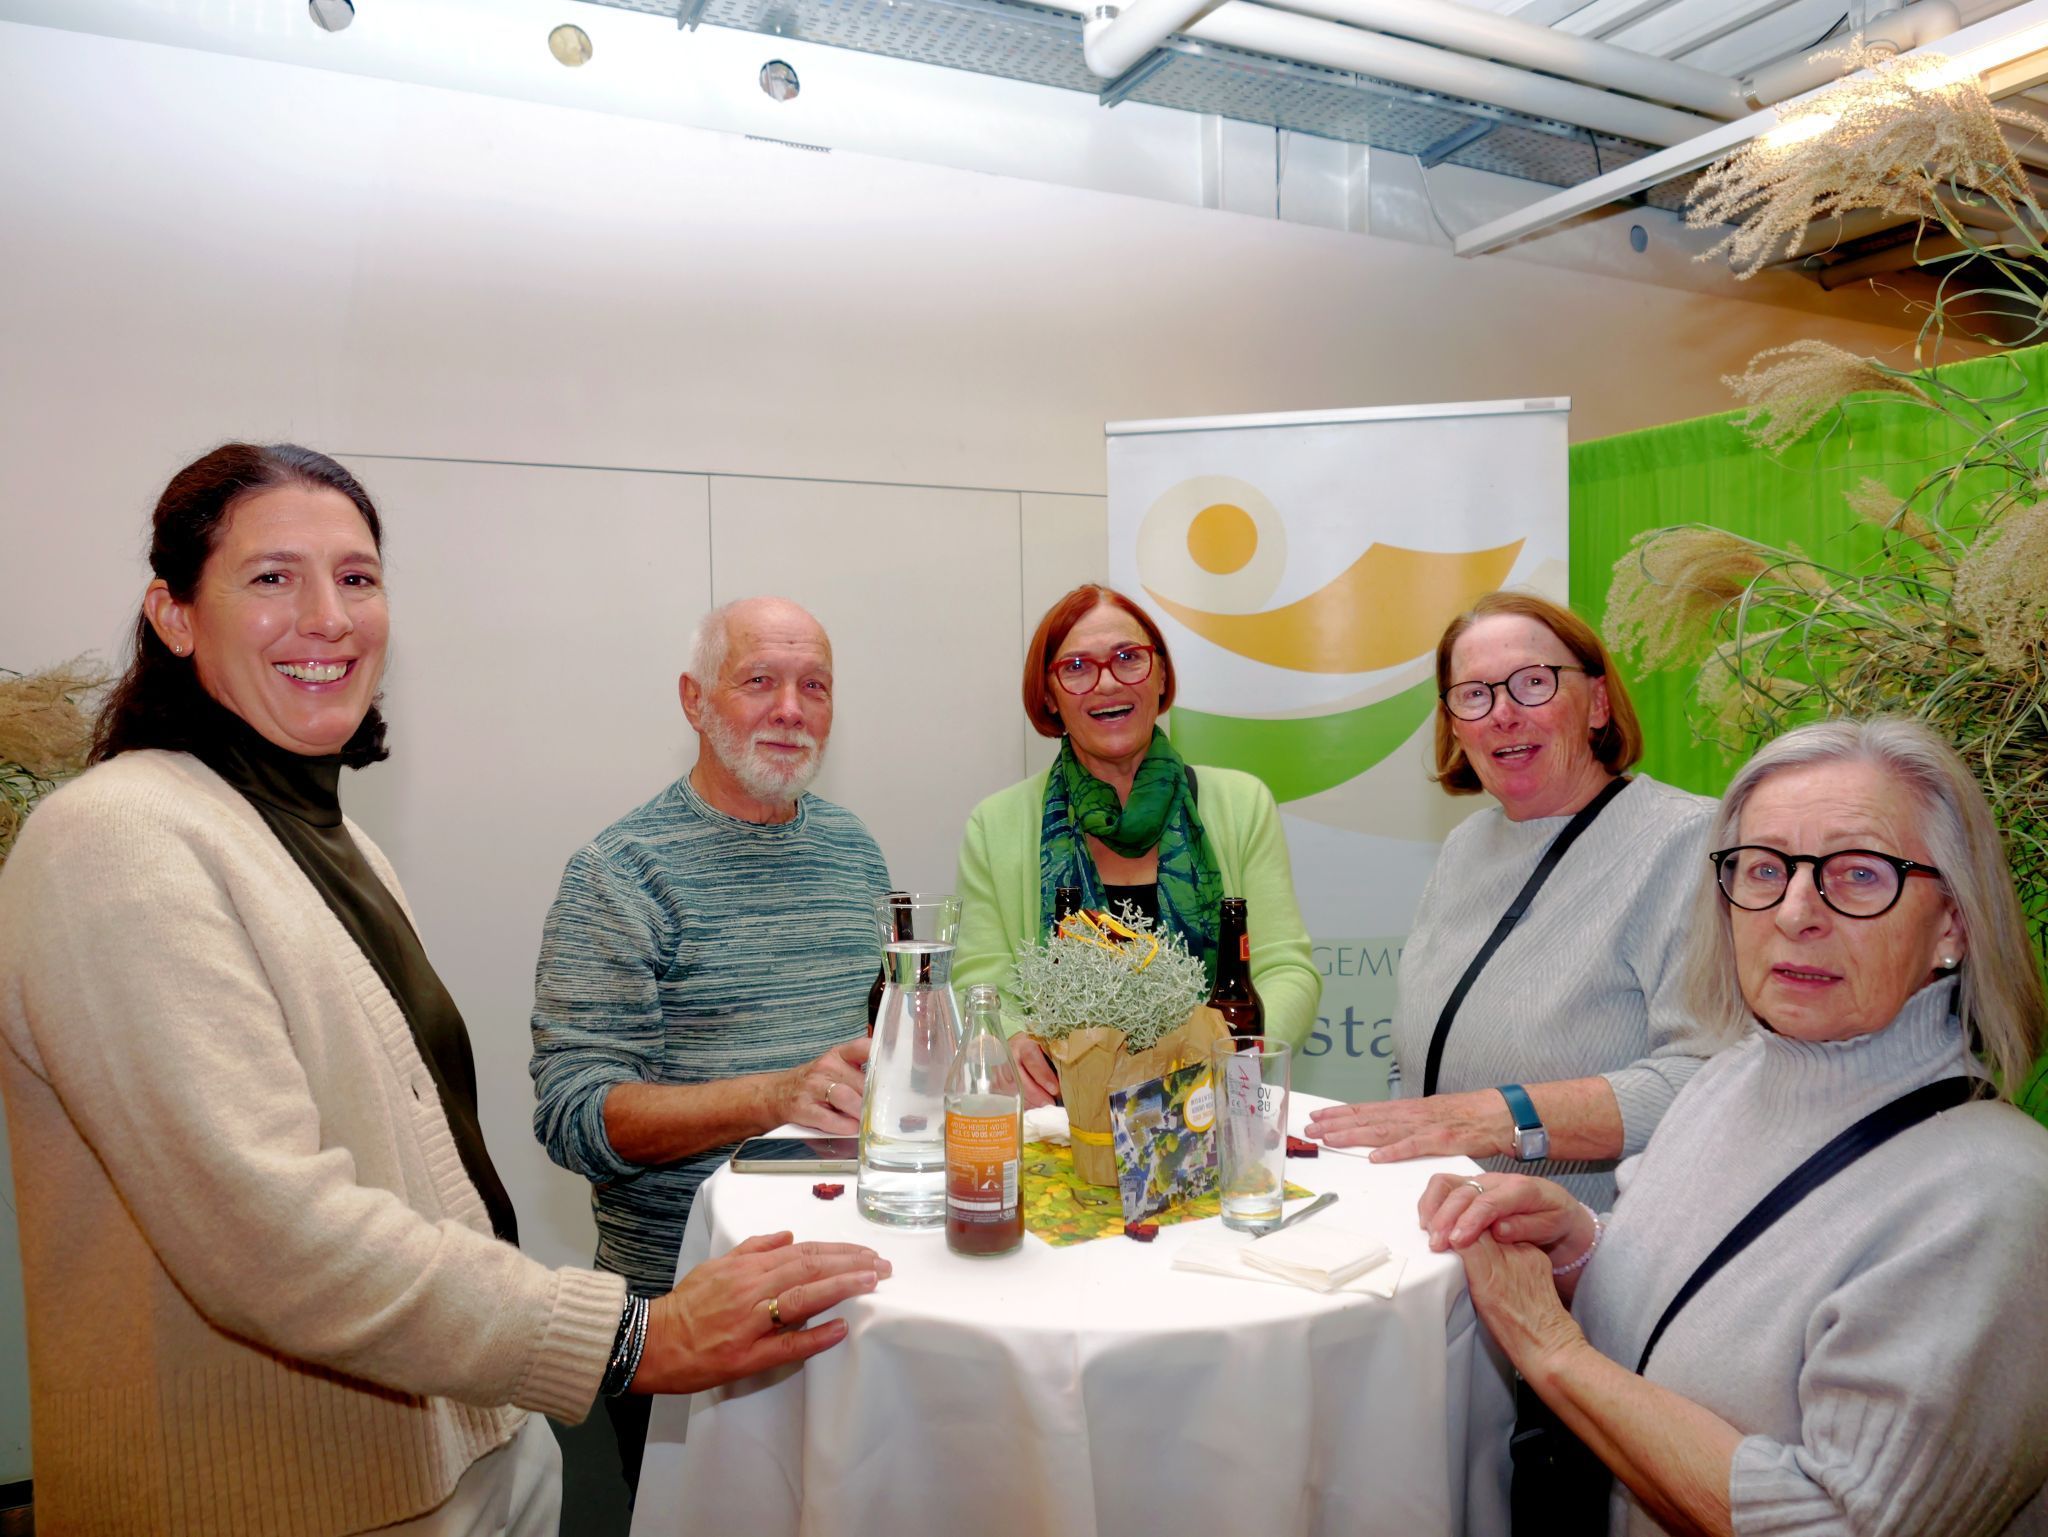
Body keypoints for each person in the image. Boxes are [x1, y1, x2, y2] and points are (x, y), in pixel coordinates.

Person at [0, 445, 888, 1537]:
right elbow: (273, 1234)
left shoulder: (338, 844)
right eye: (273, 577)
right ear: (174, 614)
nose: (328, 616)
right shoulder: (115, 840)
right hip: (285, 1491)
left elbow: (419, 1168)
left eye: (358, 578)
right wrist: (625, 1335)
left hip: (462, 1439)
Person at [1420, 717, 2048, 1535]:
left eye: (1859, 875)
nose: (1795, 911)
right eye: (1763, 868)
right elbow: (1704, 1307)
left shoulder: (1993, 1204)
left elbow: (1836, 1523)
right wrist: (1577, 1244)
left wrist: (1551, 1348)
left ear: (1954, 924)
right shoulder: (1728, 1078)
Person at [529, 594, 891, 1494]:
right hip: (693, 1310)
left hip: (853, 1281)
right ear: (694, 700)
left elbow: (873, 1050)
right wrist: (773, 1096)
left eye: (815, 685)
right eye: (759, 681)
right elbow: (575, 1117)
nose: (791, 709)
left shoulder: (855, 852)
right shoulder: (619, 872)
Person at [1308, 591, 1716, 1210]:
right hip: (1442, 1240)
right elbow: (1416, 1067)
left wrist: (1502, 1116)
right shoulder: (1465, 847)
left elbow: (1709, 1081)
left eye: (1533, 682)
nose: (1503, 713)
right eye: (1474, 694)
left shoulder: (1689, 844)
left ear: (1598, 703)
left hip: (1587, 1262)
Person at [954, 583, 1318, 1102]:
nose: (1106, 683)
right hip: (1062, 1116)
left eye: (1129, 658)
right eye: (1076, 667)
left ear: (1162, 674)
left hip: (1213, 1111)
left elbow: (1285, 969)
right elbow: (979, 982)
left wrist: (1228, 1062)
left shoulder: (1241, 804)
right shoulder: (996, 824)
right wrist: (1009, 1039)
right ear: (1048, 696)